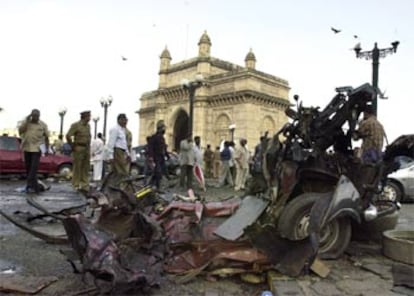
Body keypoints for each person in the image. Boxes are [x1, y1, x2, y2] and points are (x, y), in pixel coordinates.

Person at [18, 109, 49, 194]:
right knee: (28, 168)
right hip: (27, 148)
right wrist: (26, 120)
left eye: (37, 115)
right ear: (31, 115)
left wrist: (46, 149)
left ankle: (29, 185)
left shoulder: (42, 125)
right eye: (34, 115)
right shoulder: (26, 124)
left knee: (33, 169)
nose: (36, 117)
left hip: (36, 149)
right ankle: (35, 187)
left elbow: (46, 137)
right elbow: (20, 131)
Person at [66, 110, 92, 192]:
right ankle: (75, 184)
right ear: (84, 117)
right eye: (88, 116)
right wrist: (72, 146)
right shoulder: (76, 125)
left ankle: (84, 184)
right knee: (77, 167)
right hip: (78, 147)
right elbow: (68, 135)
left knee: (85, 167)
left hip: (86, 148)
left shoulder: (88, 126)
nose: (90, 118)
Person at [106, 114, 131, 185]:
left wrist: (128, 154)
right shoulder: (115, 129)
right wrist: (110, 156)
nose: (126, 122)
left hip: (122, 152)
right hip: (117, 151)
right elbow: (111, 143)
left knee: (117, 171)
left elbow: (124, 144)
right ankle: (117, 185)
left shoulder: (122, 130)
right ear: (119, 120)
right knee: (121, 171)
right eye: (124, 120)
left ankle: (115, 185)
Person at [147, 120, 168, 189]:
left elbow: (164, 148)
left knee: (161, 172)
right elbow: (150, 147)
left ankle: (154, 185)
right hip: (156, 157)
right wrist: (151, 157)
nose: (164, 130)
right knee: (157, 172)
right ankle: (155, 186)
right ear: (159, 129)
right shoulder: (154, 137)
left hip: (161, 157)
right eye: (163, 128)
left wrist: (167, 155)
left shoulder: (162, 138)